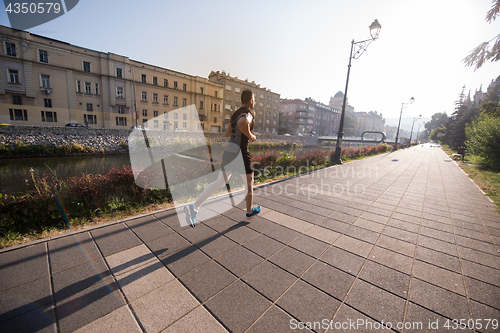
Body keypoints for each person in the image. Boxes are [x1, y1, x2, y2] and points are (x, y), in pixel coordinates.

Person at [184, 89, 261, 227]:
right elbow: (243, 123)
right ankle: (249, 211)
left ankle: (194, 207)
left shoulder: (235, 113)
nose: (254, 101)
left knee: (219, 182)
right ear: (251, 100)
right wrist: (251, 136)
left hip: (230, 151)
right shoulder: (249, 113)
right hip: (240, 152)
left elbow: (227, 132)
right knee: (249, 182)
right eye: (254, 99)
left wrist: (245, 132)